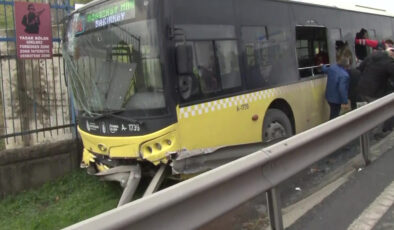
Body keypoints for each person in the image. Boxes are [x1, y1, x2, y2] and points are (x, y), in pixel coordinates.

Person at [321, 51, 350, 120]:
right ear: (346, 65)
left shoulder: (332, 68)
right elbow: (342, 89)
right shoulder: (345, 75)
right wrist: (345, 101)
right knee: (334, 115)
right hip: (336, 99)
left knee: (333, 112)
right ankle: (332, 128)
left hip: (329, 97)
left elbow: (324, 69)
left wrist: (323, 65)